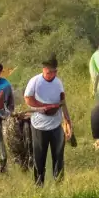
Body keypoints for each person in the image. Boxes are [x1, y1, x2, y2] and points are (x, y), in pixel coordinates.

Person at [25, 56, 72, 186]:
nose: (51, 75)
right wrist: (43, 107)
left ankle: (59, 183)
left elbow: (62, 102)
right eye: (49, 72)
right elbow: (28, 99)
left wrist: (67, 119)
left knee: (58, 155)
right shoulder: (35, 81)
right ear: (44, 70)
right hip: (39, 124)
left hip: (56, 124)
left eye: (54, 72)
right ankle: (39, 183)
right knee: (40, 156)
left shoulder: (58, 82)